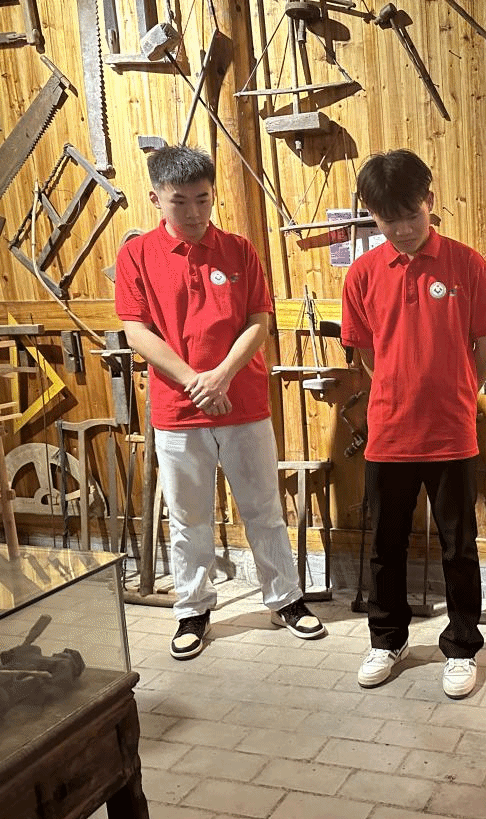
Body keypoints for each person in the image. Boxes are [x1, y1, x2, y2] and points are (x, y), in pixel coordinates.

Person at [115, 145, 325, 660]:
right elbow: (136, 330)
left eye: (203, 199)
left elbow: (259, 321)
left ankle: (285, 599)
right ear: (156, 199)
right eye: (179, 201)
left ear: (214, 196)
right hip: (177, 410)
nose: (193, 212)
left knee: (264, 509)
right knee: (189, 518)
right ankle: (192, 608)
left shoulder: (239, 250)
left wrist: (222, 376)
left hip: (243, 403)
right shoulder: (136, 255)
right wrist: (194, 381)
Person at [341, 149, 486, 699]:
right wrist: (400, 390)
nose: (404, 229)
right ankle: (387, 640)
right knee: (385, 545)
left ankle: (461, 647)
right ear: (372, 215)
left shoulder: (468, 264)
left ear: (429, 201)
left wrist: (457, 392)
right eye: (389, 220)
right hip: (388, 434)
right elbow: (367, 353)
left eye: (412, 215)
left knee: (459, 545)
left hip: (452, 433)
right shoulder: (362, 274)